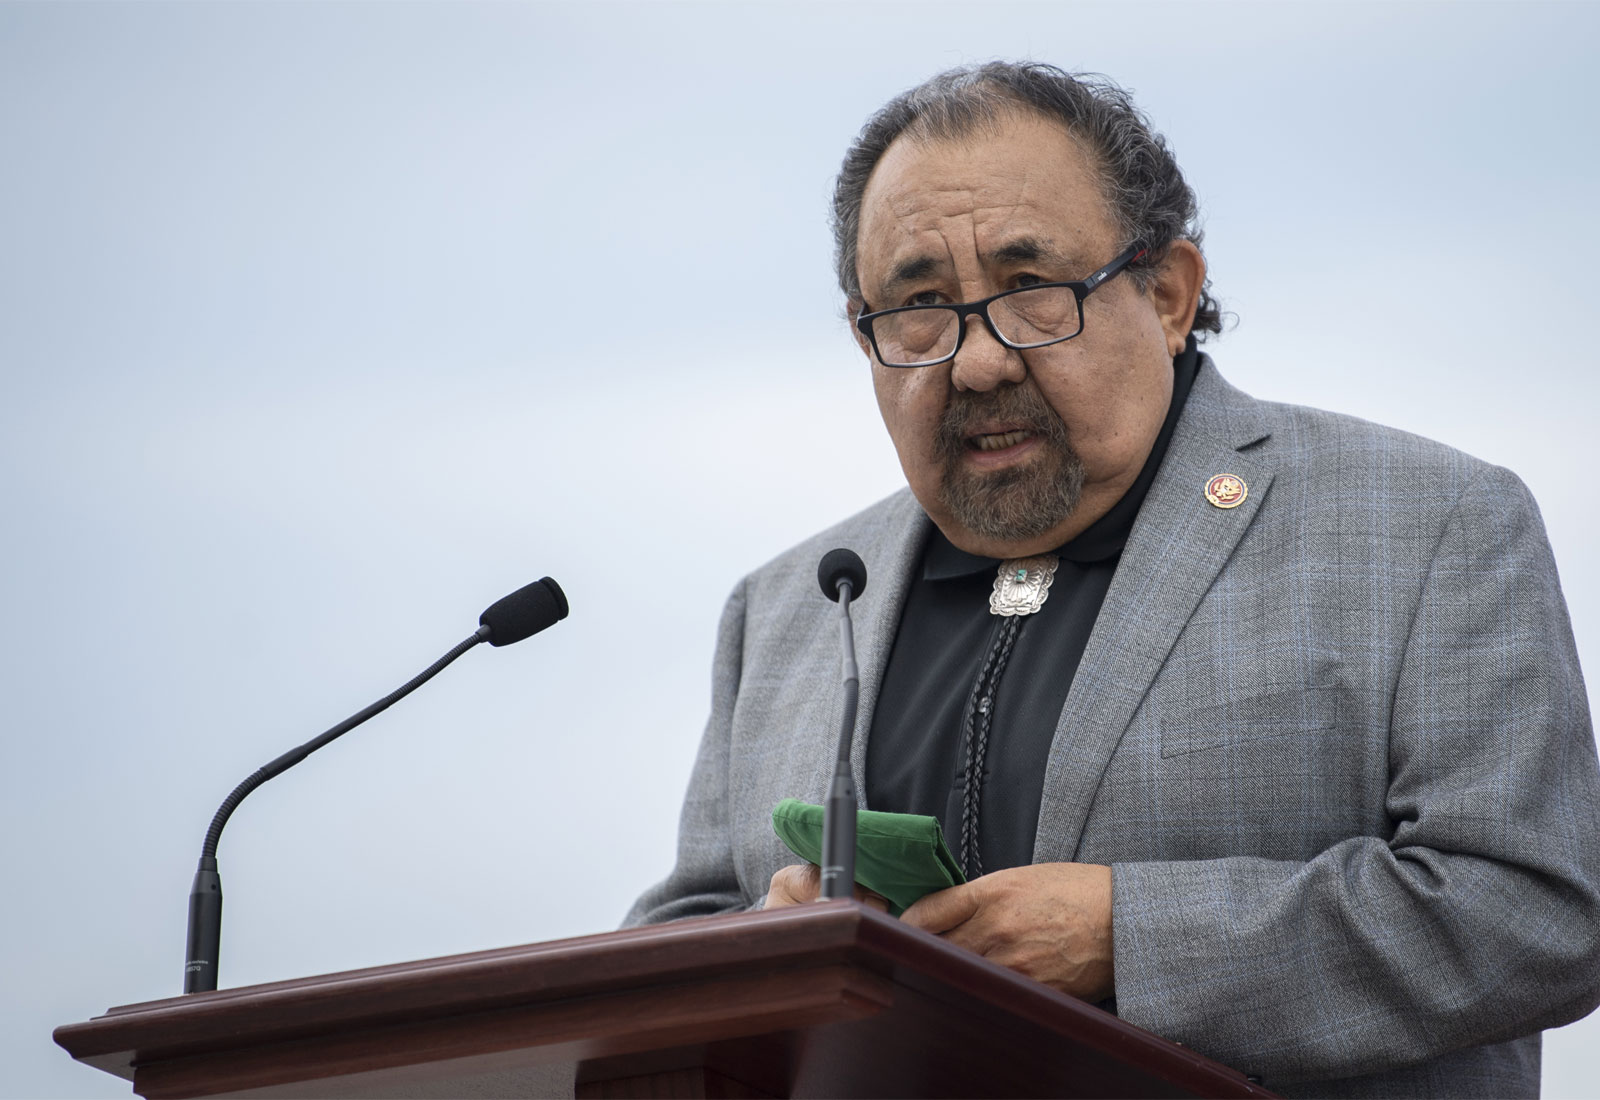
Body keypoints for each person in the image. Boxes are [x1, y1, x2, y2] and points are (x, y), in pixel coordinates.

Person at [624, 62, 1600, 1097]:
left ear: (1169, 293)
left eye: (1029, 289)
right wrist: (772, 953)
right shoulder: (791, 605)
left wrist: (1132, 941)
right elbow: (679, 937)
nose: (975, 362)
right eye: (916, 306)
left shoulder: (1421, 525)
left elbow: (1532, 912)